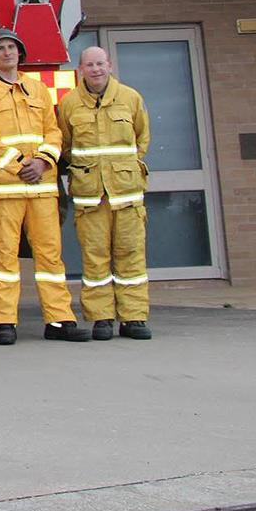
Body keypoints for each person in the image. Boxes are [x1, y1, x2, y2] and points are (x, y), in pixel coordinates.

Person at [0, 29, 90, 344]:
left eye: (11, 47)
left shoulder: (37, 89)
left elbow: (54, 131)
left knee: (50, 255)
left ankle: (60, 320)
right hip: (4, 187)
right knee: (5, 258)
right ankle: (5, 322)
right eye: (0, 49)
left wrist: (43, 162)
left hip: (41, 186)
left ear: (20, 53)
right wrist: (20, 164)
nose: (7, 53)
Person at [60, 46, 153, 340]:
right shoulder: (70, 103)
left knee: (131, 255)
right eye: (90, 65)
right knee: (95, 257)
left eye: (100, 64)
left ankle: (134, 317)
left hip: (126, 193)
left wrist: (124, 168)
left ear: (109, 65)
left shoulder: (130, 98)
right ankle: (101, 318)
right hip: (91, 196)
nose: (96, 69)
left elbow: (142, 138)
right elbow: (65, 145)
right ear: (81, 68)